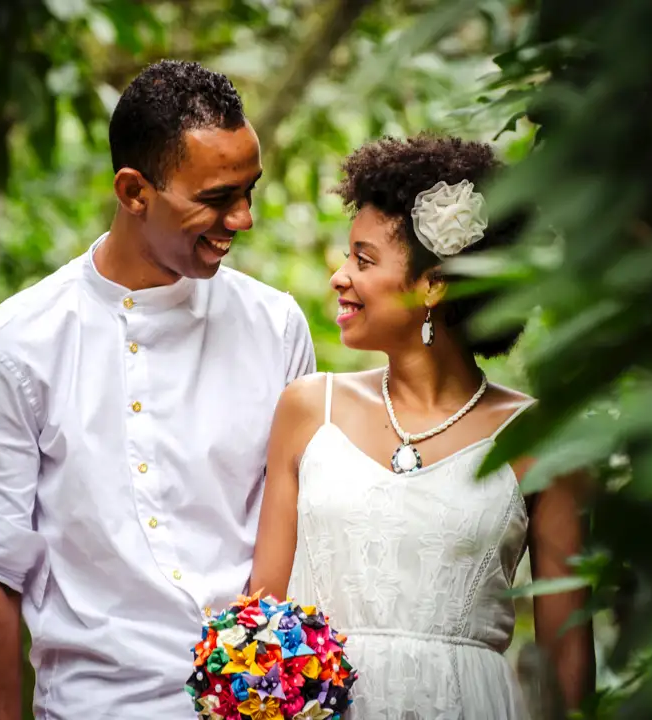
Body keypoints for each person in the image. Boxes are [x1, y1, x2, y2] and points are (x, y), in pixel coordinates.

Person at [0, 60, 315, 719]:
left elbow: (305, 528)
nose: (244, 219)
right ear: (134, 190)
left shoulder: (276, 326)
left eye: (250, 190)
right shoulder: (13, 348)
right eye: (217, 198)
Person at [250, 134, 595, 718]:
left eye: (362, 260)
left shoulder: (539, 441)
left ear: (432, 284)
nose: (338, 276)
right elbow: (261, 615)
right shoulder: (309, 410)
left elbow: (569, 657)